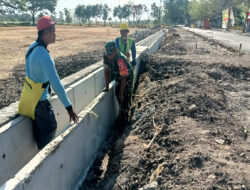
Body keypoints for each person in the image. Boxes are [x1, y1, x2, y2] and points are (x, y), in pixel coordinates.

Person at [18, 16, 78, 150]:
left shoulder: (32, 47)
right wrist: (69, 108)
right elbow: (56, 84)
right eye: (53, 31)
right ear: (46, 33)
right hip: (41, 102)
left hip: (29, 99)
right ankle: (44, 162)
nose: (55, 34)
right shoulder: (44, 56)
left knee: (41, 134)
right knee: (51, 128)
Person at [103, 40, 134, 129]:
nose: (110, 56)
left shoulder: (120, 60)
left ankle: (125, 121)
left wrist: (121, 93)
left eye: (111, 54)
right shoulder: (106, 57)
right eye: (108, 54)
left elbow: (124, 78)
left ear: (116, 51)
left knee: (125, 96)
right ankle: (121, 114)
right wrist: (107, 87)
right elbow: (106, 71)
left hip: (127, 78)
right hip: (118, 76)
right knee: (118, 95)